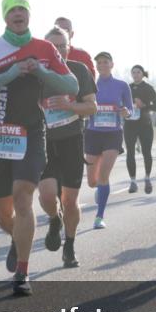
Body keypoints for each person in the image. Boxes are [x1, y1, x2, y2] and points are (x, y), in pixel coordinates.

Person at [0, 0, 78, 296]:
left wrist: (41, 70)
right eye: (12, 9)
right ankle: (16, 237)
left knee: (23, 197)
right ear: (4, 17)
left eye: (22, 9)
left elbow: (71, 86)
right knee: (4, 213)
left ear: (29, 15)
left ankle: (23, 274)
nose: (18, 13)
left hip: (32, 133)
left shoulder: (45, 48)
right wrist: (9, 74)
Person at [37, 26, 97, 269]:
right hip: (43, 142)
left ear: (69, 47)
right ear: (45, 49)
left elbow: (92, 108)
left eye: (63, 46)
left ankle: (69, 246)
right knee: (47, 195)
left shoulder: (79, 71)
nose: (59, 50)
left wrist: (70, 106)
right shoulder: (37, 75)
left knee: (70, 201)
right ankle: (54, 218)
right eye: (54, 46)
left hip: (72, 139)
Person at [84, 52, 132, 229]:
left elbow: (130, 109)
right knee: (92, 181)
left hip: (113, 134)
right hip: (92, 133)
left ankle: (99, 216)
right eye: (99, 63)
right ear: (96, 66)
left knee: (104, 175)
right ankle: (100, 190)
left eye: (105, 62)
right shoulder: (90, 84)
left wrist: (126, 112)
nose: (102, 65)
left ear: (112, 64)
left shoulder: (121, 85)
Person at [125, 65, 156, 194]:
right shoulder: (127, 88)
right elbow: (120, 103)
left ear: (142, 74)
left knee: (146, 152)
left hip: (144, 124)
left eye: (138, 72)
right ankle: (133, 182)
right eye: (133, 72)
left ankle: (147, 178)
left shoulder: (148, 88)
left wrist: (143, 105)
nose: (135, 74)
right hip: (129, 124)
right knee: (130, 153)